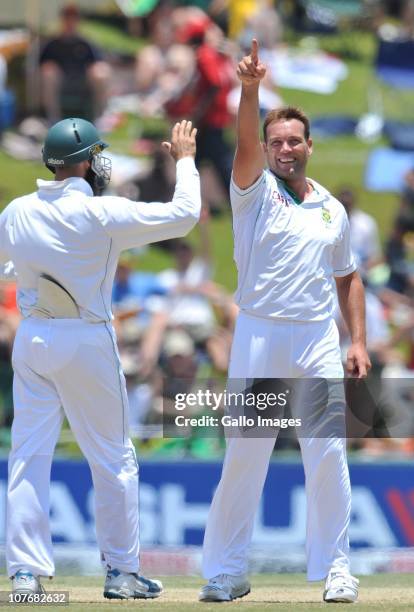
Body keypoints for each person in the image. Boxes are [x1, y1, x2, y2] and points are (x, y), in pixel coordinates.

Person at [199, 40, 371, 604]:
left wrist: (359, 341)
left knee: (328, 454)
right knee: (245, 454)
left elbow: (348, 275)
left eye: (294, 140)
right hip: (259, 335)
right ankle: (226, 571)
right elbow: (244, 140)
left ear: (309, 145)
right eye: (277, 142)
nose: (284, 149)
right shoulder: (253, 191)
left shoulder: (331, 207)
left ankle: (337, 569)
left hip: (316, 337)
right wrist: (248, 91)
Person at [0, 117, 200, 598]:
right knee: (113, 458)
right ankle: (121, 571)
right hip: (84, 336)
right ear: (87, 161)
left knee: (28, 454)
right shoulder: (104, 214)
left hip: (33, 339)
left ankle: (25, 574)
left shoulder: (16, 211)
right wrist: (187, 160)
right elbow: (186, 214)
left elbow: (10, 264)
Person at [39, 4, 111, 122]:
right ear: (62, 20)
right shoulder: (52, 44)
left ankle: (101, 117)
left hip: (83, 81)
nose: (70, 22)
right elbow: (41, 64)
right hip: (60, 81)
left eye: (73, 18)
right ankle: (53, 119)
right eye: (67, 18)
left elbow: (99, 63)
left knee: (101, 71)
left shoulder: (86, 43)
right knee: (48, 72)